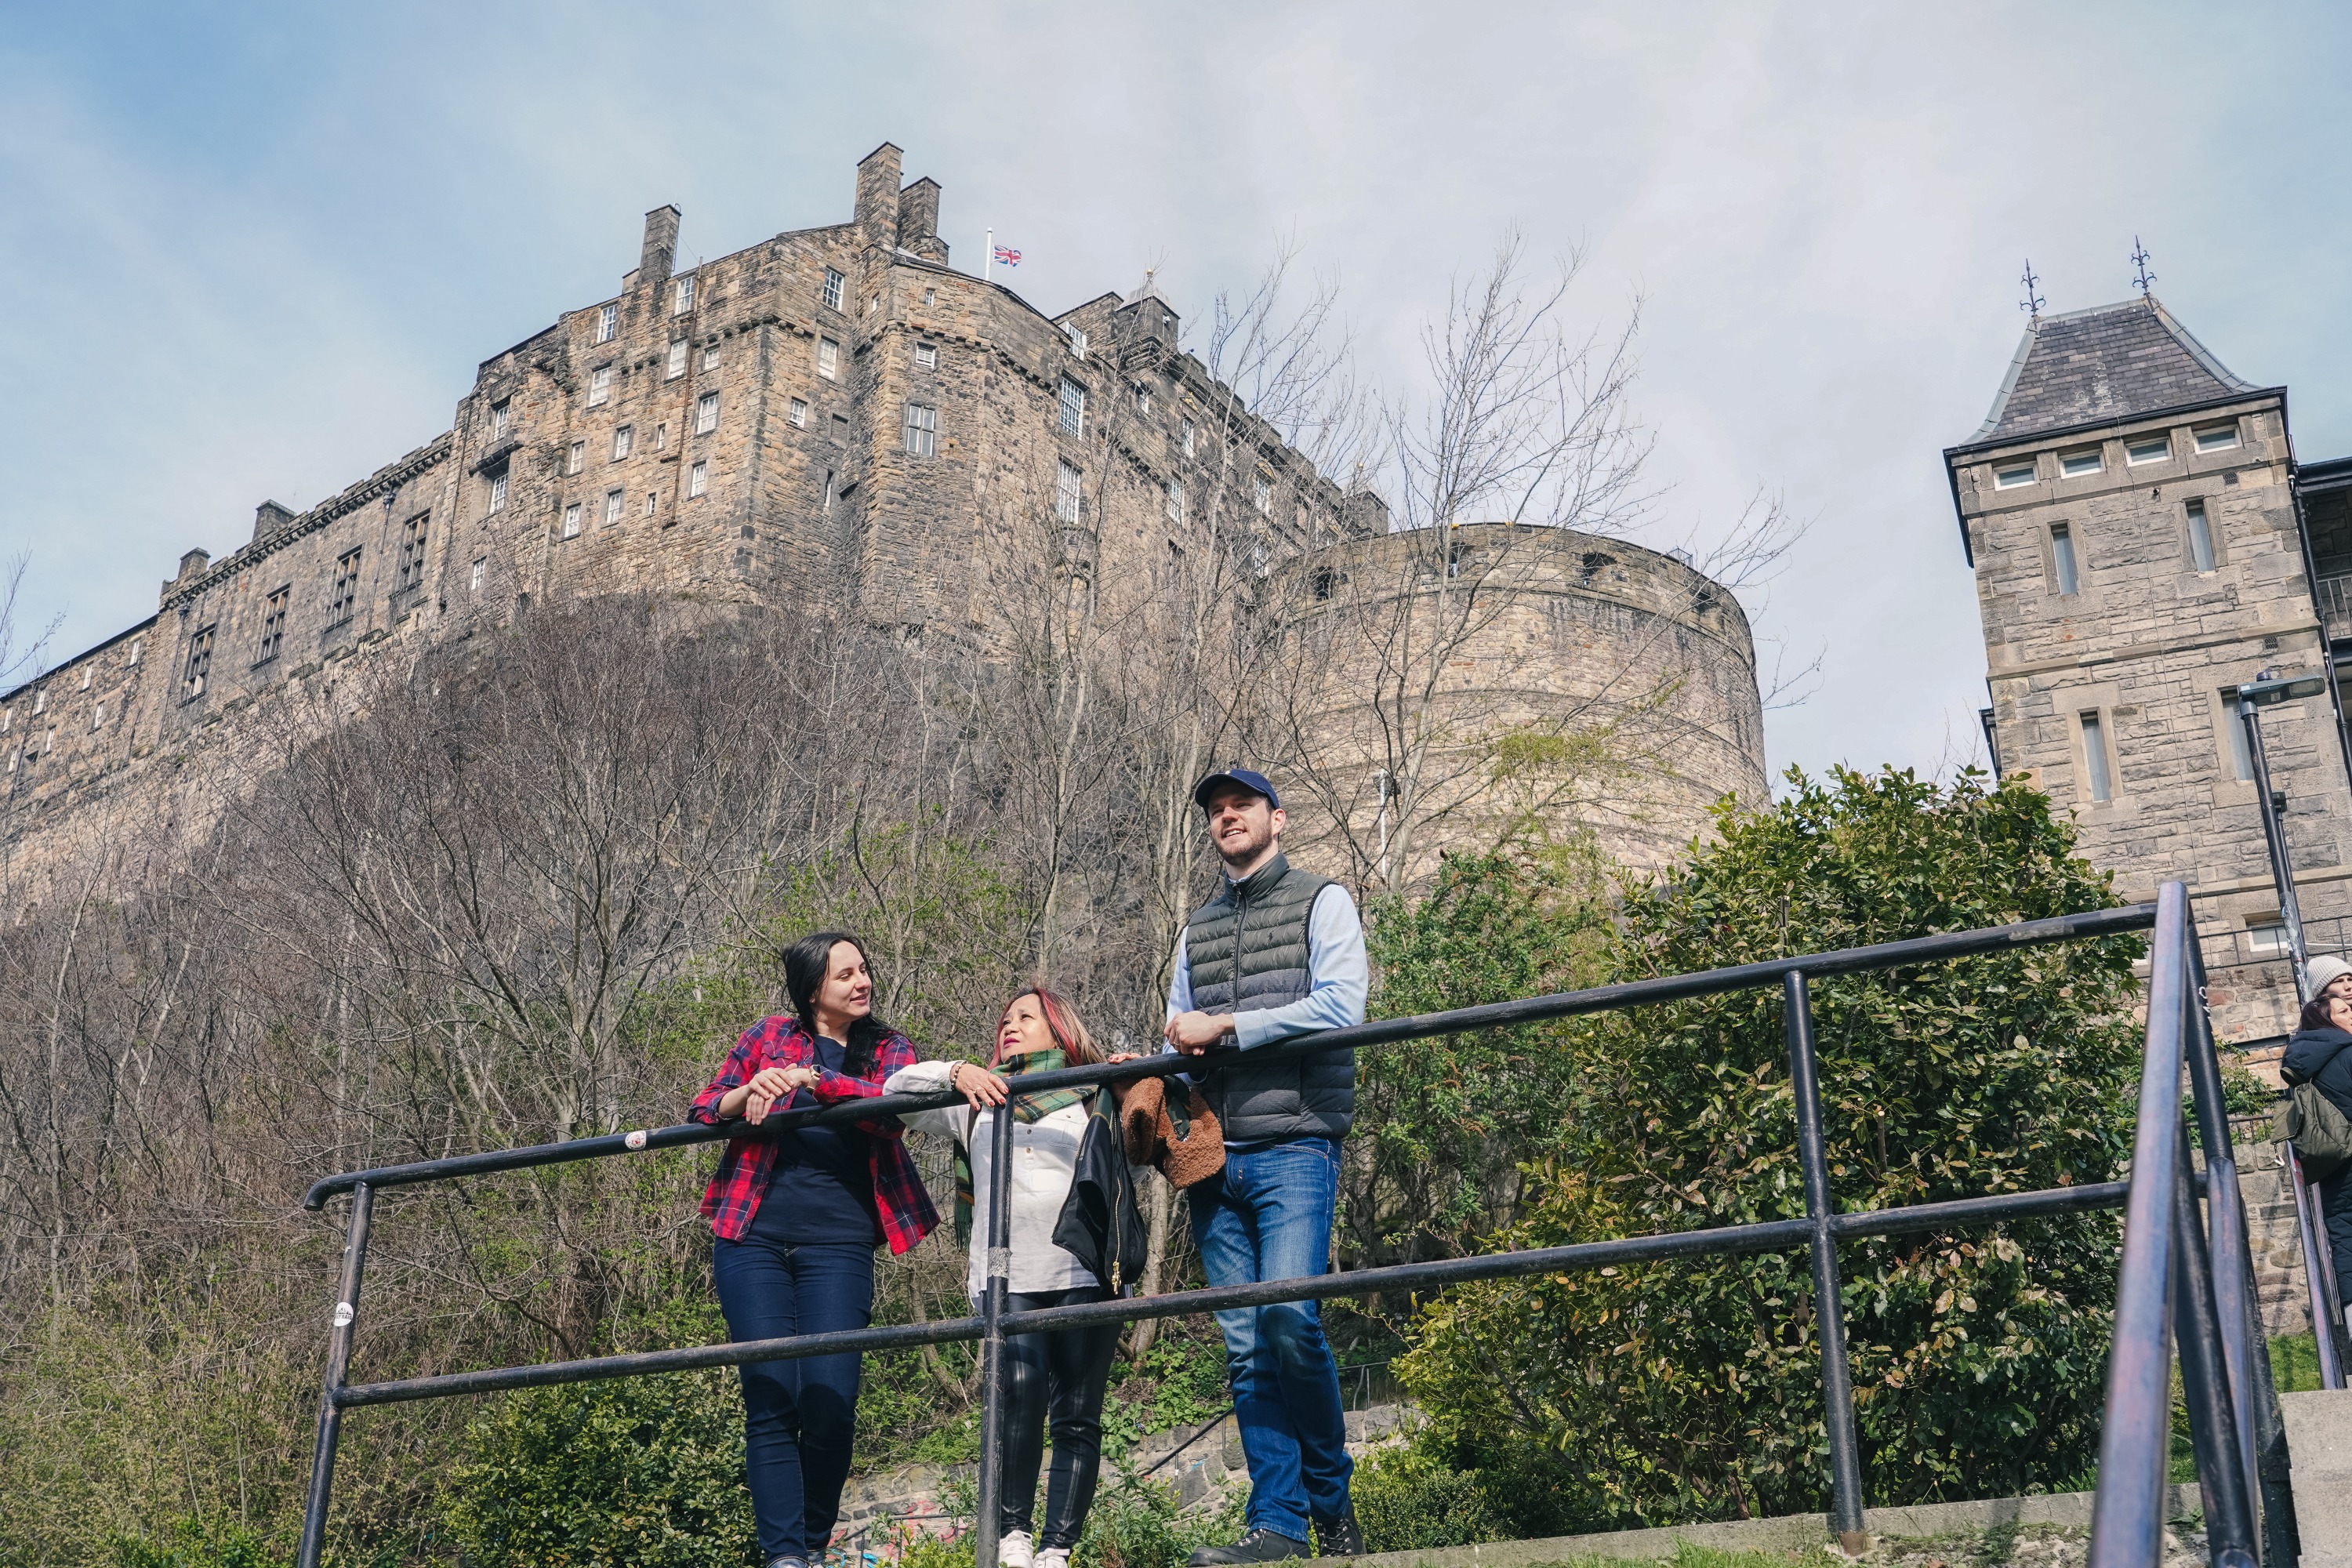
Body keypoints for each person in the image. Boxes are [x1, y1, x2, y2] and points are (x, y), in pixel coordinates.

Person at [1163, 768, 1368, 1564]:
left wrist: (1230, 1025)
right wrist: (1150, 1062)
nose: (1226, 818)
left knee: (1288, 1319)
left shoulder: (1324, 900)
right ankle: (1278, 1523)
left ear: (1276, 818)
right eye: (1215, 811)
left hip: (1296, 1141)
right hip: (1214, 1156)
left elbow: (1342, 1003)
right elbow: (1184, 1032)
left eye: (1240, 806)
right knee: (1247, 1345)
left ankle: (1331, 1502)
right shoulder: (1197, 925)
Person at [690, 933, 938, 1568]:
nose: (862, 982)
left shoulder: (889, 1047)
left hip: (841, 1240)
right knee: (772, 1397)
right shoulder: (769, 1035)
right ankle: (786, 1558)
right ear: (812, 991)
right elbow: (704, 1108)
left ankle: (810, 1541)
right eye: (845, 975)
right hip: (751, 1236)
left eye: (864, 970)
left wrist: (815, 1080)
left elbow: (892, 1110)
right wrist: (749, 1092)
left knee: (830, 1401)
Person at [887, 988, 1131, 1568]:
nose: (1010, 1027)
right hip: (1005, 1276)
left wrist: (1133, 1078)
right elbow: (894, 1094)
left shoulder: (1095, 1091)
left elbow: (1156, 1127)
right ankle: (1015, 1536)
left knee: (1077, 1413)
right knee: (1017, 1402)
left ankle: (1057, 1548)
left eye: (1026, 1017)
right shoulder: (975, 1098)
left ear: (1060, 1031)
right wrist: (956, 1070)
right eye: (1003, 1020)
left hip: (1085, 1270)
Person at [2285, 986, 2352, 1347]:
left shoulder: (2302, 1070)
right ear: (2326, 1024)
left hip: (2334, 1174)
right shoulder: (2349, 1055)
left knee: (2346, 1249)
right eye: (2344, 1011)